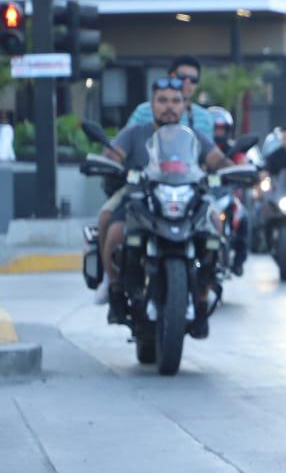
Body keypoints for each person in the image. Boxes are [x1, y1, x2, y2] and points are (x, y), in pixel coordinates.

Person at [95, 77, 229, 335]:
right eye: (163, 101)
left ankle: (204, 294)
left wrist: (237, 170)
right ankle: (114, 290)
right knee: (109, 225)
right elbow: (113, 155)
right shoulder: (134, 133)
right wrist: (109, 163)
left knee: (216, 224)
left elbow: (218, 160)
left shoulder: (194, 136)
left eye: (176, 101)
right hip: (139, 196)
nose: (169, 107)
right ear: (152, 104)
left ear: (184, 105)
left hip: (186, 196)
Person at [127, 56, 215, 139]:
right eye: (182, 77)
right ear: (170, 76)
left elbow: (208, 153)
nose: (187, 82)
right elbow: (126, 142)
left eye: (193, 79)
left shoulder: (205, 118)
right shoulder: (143, 111)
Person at [207, 107, 249, 275]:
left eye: (221, 129)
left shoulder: (234, 149)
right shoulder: (201, 148)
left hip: (226, 194)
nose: (218, 133)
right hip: (205, 194)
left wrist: (245, 172)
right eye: (215, 129)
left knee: (243, 217)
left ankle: (239, 261)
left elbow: (243, 164)